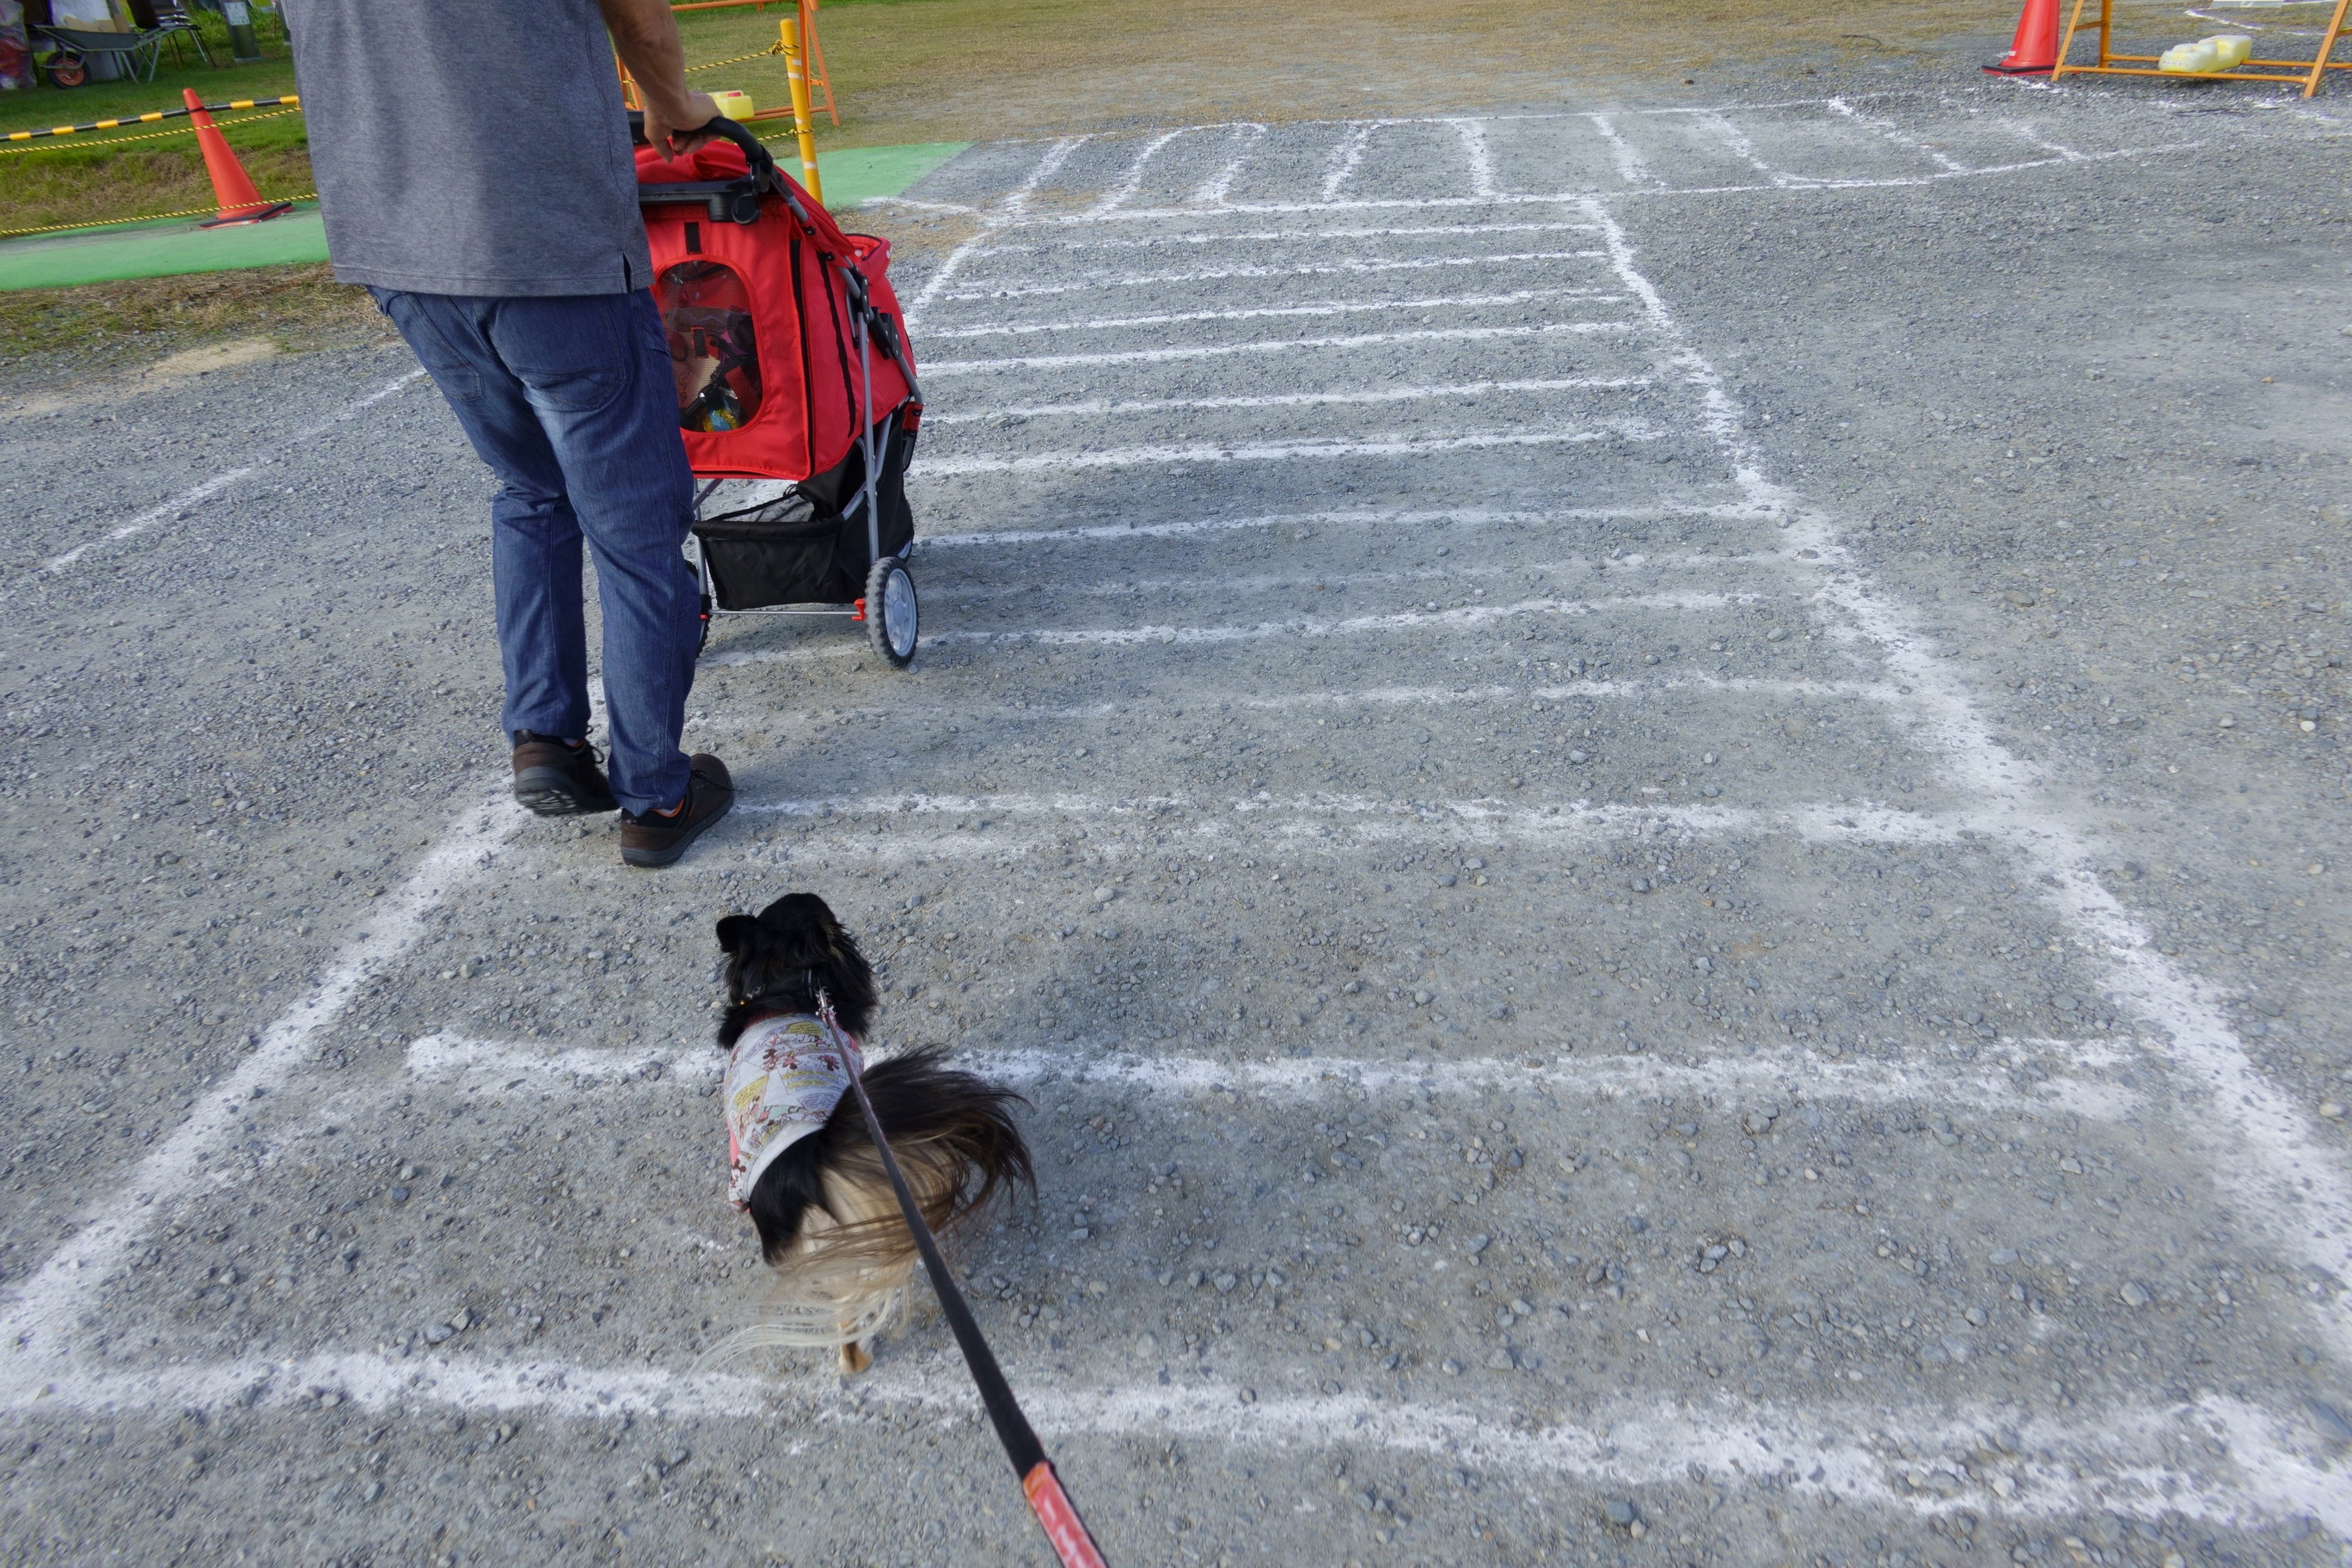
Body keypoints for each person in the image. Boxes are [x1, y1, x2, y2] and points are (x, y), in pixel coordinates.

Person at [280, 0, 733, 868]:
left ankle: (545, 738)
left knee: (533, 489)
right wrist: (672, 99)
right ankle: (656, 793)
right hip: (546, 244)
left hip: (396, 247)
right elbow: (639, 18)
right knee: (635, 530)